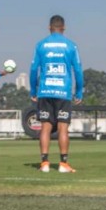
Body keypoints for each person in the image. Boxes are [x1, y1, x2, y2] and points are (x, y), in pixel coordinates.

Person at [29, 15, 84, 173]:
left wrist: (33, 90)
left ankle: (44, 163)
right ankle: (63, 164)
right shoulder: (71, 46)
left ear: (49, 28)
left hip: (45, 91)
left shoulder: (40, 45)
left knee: (45, 127)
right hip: (63, 92)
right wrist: (79, 91)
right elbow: (78, 70)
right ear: (64, 28)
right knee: (62, 129)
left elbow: (34, 70)